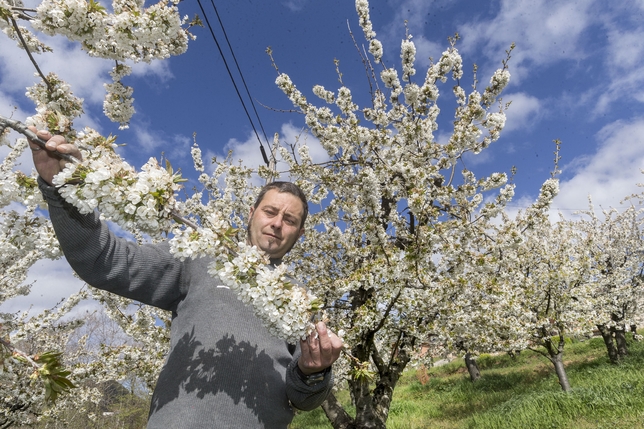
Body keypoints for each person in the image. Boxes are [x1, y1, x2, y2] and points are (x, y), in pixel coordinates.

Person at [29, 129, 343, 428]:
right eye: (270, 212)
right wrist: (63, 188)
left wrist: (314, 372)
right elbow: (105, 261)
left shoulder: (300, 304)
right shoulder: (201, 255)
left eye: (289, 220)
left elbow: (304, 400)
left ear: (300, 234)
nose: (277, 224)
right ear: (251, 213)